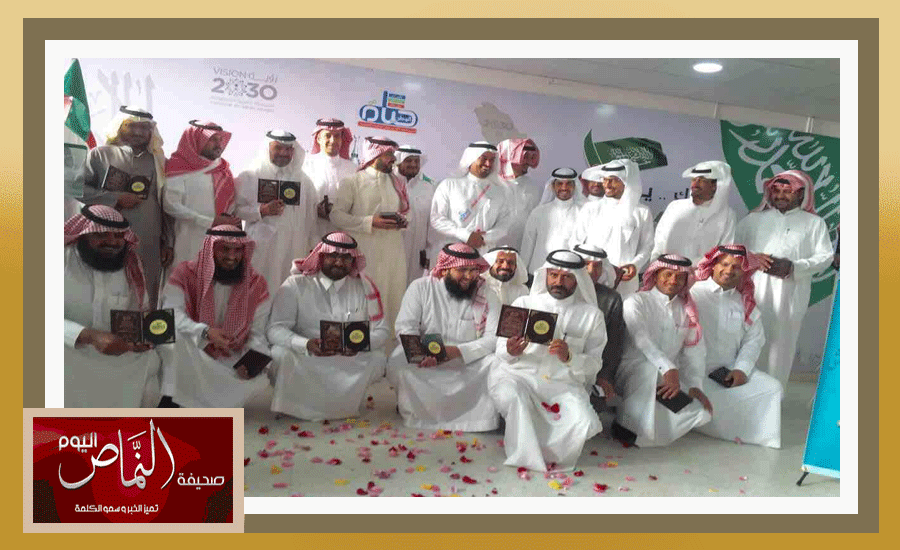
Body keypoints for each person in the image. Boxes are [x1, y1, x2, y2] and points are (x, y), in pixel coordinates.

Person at [490, 250, 606, 472]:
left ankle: (548, 455)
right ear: (545, 275)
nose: (558, 282)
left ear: (578, 280)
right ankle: (524, 456)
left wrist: (570, 357)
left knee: (582, 420)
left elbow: (594, 364)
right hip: (520, 376)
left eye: (567, 277)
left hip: (563, 384)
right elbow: (500, 352)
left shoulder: (592, 316)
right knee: (514, 398)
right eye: (553, 275)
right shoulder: (523, 302)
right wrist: (511, 351)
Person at [266, 232, 389, 420]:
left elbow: (382, 330)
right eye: (333, 256)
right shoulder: (295, 284)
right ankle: (295, 407)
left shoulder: (364, 287)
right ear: (321, 255)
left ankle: (343, 406)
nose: (339, 262)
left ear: (353, 260)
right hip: (307, 355)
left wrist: (357, 344)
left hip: (348, 356)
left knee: (377, 358)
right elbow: (274, 329)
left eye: (346, 258)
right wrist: (306, 344)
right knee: (279, 354)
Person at [387, 243, 502, 432]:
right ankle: (413, 409)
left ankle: (476, 419)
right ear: (444, 270)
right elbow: (405, 327)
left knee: (495, 364)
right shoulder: (420, 288)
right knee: (398, 360)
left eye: (473, 270)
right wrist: (421, 354)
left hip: (466, 359)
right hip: (426, 357)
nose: (469, 276)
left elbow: (493, 337)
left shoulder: (487, 293)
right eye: (462, 270)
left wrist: (456, 352)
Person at [735, 170, 834, 388]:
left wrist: (794, 267)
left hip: (789, 295)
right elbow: (732, 249)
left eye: (787, 192)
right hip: (753, 292)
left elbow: (825, 257)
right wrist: (752, 258)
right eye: (776, 191)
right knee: (746, 341)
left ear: (801, 195)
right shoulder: (753, 220)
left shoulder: (814, 223)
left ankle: (773, 395)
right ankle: (742, 393)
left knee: (780, 346)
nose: (780, 195)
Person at [160, 226, 272, 408]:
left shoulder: (255, 284)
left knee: (260, 375)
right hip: (194, 348)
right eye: (225, 249)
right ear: (210, 249)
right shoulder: (185, 273)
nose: (231, 256)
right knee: (173, 340)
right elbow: (171, 314)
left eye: (237, 250)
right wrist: (205, 332)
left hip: (230, 356)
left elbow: (257, 332)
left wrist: (250, 362)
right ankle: (173, 403)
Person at [64, 205, 160, 408]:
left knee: (153, 364)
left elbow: (138, 313)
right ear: (84, 234)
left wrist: (138, 340)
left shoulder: (131, 265)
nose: (112, 242)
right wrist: (89, 336)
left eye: (118, 236)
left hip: (114, 353)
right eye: (101, 235)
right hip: (67, 348)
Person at [613, 254, 712, 447]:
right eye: (668, 274)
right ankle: (627, 426)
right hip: (631, 372)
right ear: (656, 275)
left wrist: (695, 385)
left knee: (701, 414)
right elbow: (641, 339)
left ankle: (642, 427)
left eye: (680, 277)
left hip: (666, 380)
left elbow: (694, 351)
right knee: (648, 370)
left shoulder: (686, 310)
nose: (673, 280)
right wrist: (668, 368)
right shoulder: (636, 301)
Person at [691, 245, 783, 448]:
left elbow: (754, 340)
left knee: (773, 388)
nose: (729, 270)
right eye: (724, 264)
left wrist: (741, 370)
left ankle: (758, 437)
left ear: (744, 272)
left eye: (736, 267)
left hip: (730, 371)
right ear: (713, 266)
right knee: (715, 401)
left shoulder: (744, 301)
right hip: (697, 373)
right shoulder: (693, 295)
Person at [80, 106, 173, 307]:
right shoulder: (100, 155)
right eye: (131, 126)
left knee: (147, 291)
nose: (138, 132)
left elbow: (166, 204)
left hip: (148, 240)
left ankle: (141, 327)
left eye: (144, 127)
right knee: (110, 285)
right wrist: (115, 198)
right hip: (108, 239)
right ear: (119, 126)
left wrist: (168, 242)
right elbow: (79, 189)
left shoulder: (159, 162)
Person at [331, 136, 409, 335]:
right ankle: (357, 345)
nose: (394, 159)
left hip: (393, 253)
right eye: (389, 154)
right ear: (375, 155)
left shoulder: (397, 183)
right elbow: (336, 216)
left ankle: (388, 347)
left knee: (392, 298)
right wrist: (369, 222)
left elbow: (405, 212)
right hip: (365, 254)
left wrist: (402, 222)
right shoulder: (353, 182)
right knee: (363, 299)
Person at [234, 130, 317, 292]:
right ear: (268, 148)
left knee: (288, 291)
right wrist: (261, 211)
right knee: (258, 291)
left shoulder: (304, 181)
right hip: (262, 248)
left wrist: (312, 246)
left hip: (293, 248)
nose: (283, 153)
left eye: (288, 149)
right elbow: (236, 210)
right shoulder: (250, 175)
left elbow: (311, 217)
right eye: (278, 148)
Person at [163, 120, 241, 268]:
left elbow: (232, 207)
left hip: (219, 245)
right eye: (212, 139)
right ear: (195, 140)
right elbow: (170, 205)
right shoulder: (178, 166)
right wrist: (208, 221)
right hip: (186, 243)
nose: (219, 144)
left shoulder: (223, 169)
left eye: (220, 139)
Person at [570, 159, 653, 297]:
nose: (607, 184)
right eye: (604, 179)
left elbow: (647, 246)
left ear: (626, 182)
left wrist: (635, 265)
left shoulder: (642, 212)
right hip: (593, 276)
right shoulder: (591, 208)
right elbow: (575, 242)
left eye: (613, 180)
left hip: (624, 278)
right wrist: (586, 267)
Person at [429, 141, 512, 261]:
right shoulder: (449, 185)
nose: (488, 164)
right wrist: (465, 235)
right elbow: (437, 218)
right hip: (452, 252)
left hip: (484, 253)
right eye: (483, 159)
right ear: (471, 159)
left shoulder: (501, 191)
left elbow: (505, 224)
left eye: (492, 160)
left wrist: (484, 238)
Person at [651, 161, 738, 265]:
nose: (695, 184)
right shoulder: (675, 206)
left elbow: (724, 251)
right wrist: (656, 266)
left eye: (702, 180)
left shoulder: (728, 215)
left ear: (715, 185)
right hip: (667, 269)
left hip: (702, 273)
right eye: (693, 179)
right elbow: (658, 243)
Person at [573, 243, 626, 409]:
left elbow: (614, 344)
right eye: (586, 264)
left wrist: (604, 376)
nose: (591, 271)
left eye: (597, 266)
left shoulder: (611, 299)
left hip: (593, 366)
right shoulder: (560, 291)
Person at [519, 168, 585, 276]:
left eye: (569, 184)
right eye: (560, 183)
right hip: (538, 272)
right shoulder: (538, 212)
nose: (564, 188)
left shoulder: (583, 213)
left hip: (568, 275)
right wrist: (521, 274)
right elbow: (528, 244)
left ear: (575, 186)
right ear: (553, 186)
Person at [301, 118, 357, 237]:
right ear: (318, 138)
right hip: (309, 232)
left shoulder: (352, 169)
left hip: (341, 234)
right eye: (327, 135)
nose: (332, 140)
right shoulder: (305, 164)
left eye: (337, 136)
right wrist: (314, 209)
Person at [394, 145, 436, 284]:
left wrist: (430, 251)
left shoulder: (429, 185)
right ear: (398, 161)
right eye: (408, 160)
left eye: (416, 161)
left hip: (418, 249)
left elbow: (433, 221)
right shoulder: (389, 181)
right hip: (393, 246)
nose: (413, 164)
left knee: (413, 285)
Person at [497, 138, 542, 249]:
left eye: (530, 157)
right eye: (523, 157)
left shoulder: (534, 187)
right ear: (508, 157)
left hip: (523, 247)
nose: (527, 162)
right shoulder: (490, 185)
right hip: (492, 248)